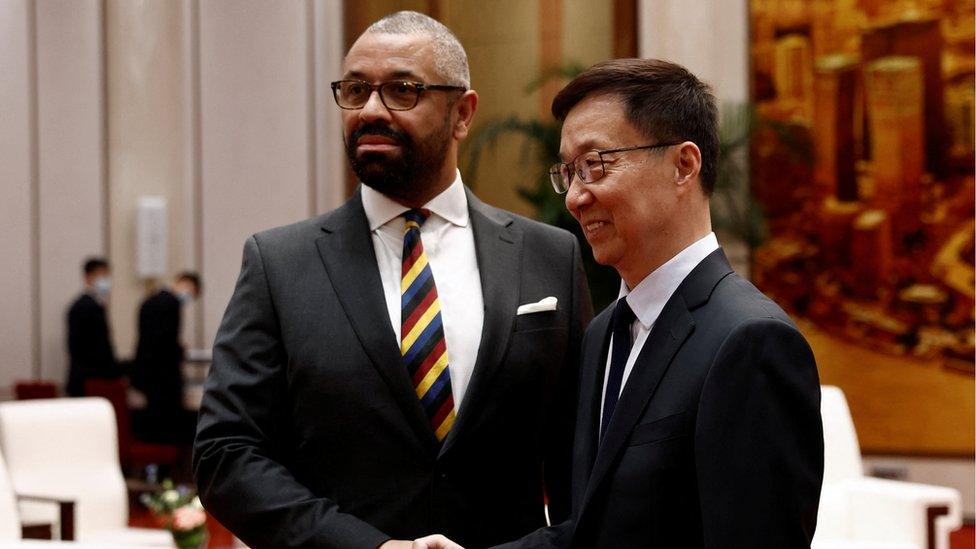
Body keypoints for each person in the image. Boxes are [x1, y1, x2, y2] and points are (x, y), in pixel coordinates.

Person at [193, 11, 592, 549]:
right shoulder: (279, 264)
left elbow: (581, 453)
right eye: (356, 91)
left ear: (463, 113)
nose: (371, 111)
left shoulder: (549, 256)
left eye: (402, 90)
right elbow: (226, 453)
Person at [419, 59, 824, 549]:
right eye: (568, 172)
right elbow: (588, 531)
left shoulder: (750, 341)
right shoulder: (603, 332)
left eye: (595, 165)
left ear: (684, 165)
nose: (574, 197)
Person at [131, 271, 201, 444]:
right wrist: (180, 350)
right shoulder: (172, 304)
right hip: (164, 379)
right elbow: (166, 343)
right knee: (171, 431)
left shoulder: (149, 300)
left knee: (152, 430)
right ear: (185, 283)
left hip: (147, 376)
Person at [65, 257, 120, 397]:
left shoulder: (87, 305)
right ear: (88, 277)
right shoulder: (87, 306)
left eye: (107, 275)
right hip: (91, 381)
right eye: (101, 275)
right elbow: (95, 347)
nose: (106, 280)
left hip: (86, 379)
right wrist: (113, 374)